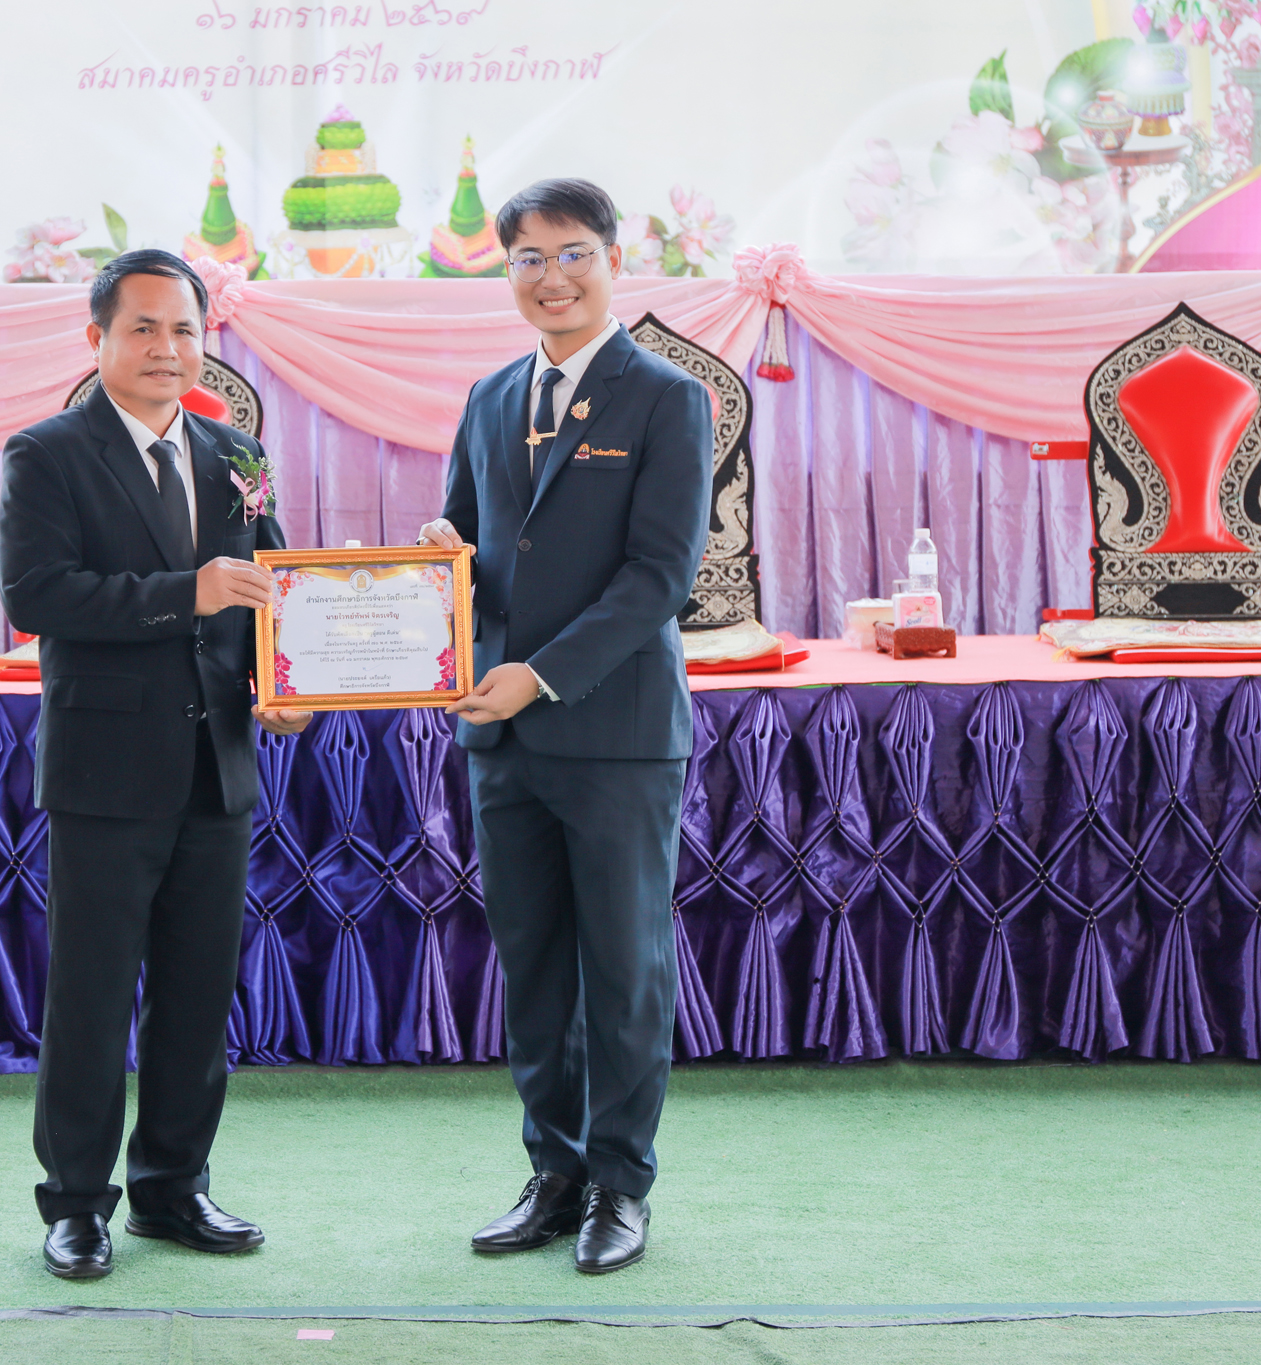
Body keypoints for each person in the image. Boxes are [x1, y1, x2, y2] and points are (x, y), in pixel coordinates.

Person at [0, 249, 310, 1281]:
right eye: (142, 328)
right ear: (96, 338)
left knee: (196, 995)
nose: (165, 348)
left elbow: (268, 587)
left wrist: (287, 682)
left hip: (217, 765)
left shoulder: (236, 453)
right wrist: (188, 592)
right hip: (104, 770)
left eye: (183, 329)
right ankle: (75, 1204)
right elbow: (38, 595)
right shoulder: (46, 453)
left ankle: (173, 1189)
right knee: (90, 998)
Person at [416, 178, 710, 1275]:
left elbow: (657, 578)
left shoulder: (666, 398)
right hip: (500, 740)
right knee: (533, 968)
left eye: (573, 253)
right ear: (507, 272)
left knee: (623, 970)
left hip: (613, 730)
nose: (552, 277)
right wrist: (438, 559)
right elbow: (471, 549)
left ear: (613, 260)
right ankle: (553, 1174)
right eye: (528, 259)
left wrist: (537, 676)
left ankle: (621, 1186)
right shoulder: (491, 395)